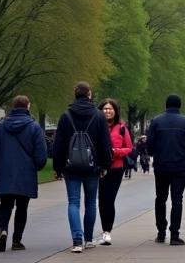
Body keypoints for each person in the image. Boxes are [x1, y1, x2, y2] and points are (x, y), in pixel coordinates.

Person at [52, 81, 112, 253]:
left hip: (71, 167)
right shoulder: (98, 116)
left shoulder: (66, 116)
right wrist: (105, 164)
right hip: (92, 166)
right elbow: (104, 144)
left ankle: (77, 240)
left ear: (75, 94)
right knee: (91, 202)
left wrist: (58, 166)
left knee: (73, 202)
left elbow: (58, 144)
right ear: (89, 94)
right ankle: (88, 238)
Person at [0, 95, 48, 253]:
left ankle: (3, 229)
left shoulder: (1, 127)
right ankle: (17, 240)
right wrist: (36, 166)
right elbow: (41, 154)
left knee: (5, 204)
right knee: (22, 207)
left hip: (6, 171)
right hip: (26, 172)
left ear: (13, 106)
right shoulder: (34, 127)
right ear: (28, 106)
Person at [147, 93, 185, 245]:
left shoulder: (156, 121)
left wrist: (153, 153)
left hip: (161, 165)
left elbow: (149, 143)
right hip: (179, 166)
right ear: (179, 105)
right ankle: (174, 234)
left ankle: (161, 231)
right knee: (177, 199)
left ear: (166, 105)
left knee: (160, 198)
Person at [98, 98, 132, 246]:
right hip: (99, 168)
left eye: (110, 109)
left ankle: (107, 232)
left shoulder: (122, 128)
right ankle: (103, 230)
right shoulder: (97, 126)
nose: (107, 111)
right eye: (105, 109)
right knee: (101, 200)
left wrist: (115, 152)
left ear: (115, 111)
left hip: (115, 168)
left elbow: (129, 147)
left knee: (109, 200)